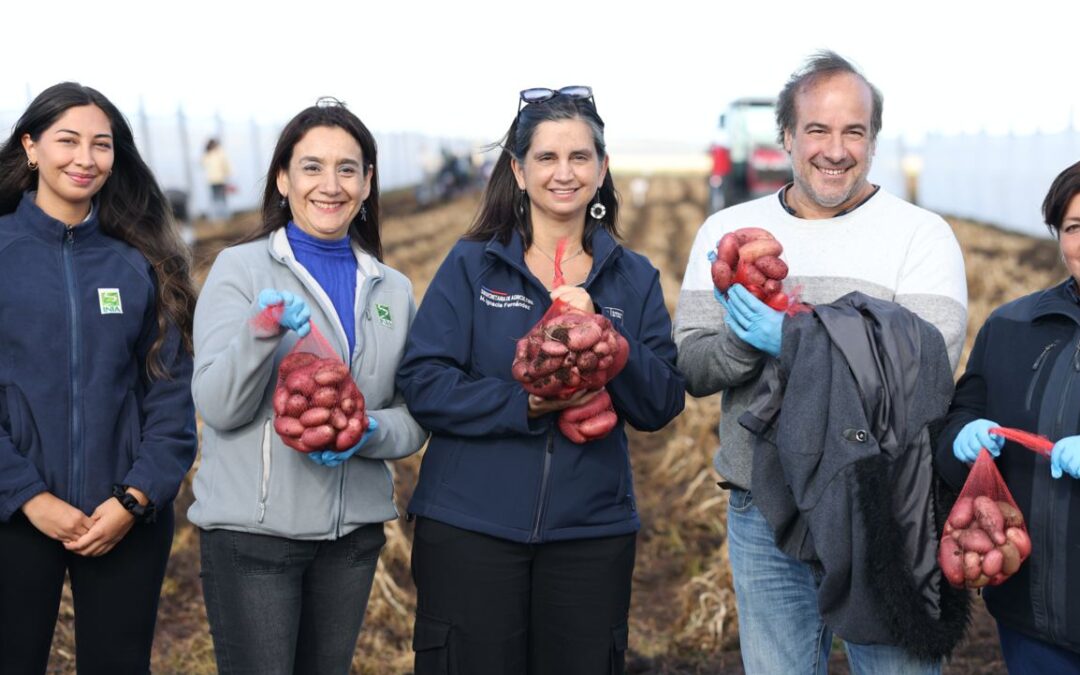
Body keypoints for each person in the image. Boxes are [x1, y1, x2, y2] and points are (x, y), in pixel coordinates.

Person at [673, 51, 969, 674]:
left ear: (873, 140)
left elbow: (929, 367)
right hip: (763, 506)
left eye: (853, 131)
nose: (835, 150)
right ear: (786, 136)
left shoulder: (921, 235)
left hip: (882, 506)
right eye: (818, 130)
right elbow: (689, 365)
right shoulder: (729, 230)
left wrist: (800, 339)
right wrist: (741, 342)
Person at [397, 86, 685, 674]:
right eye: (547, 158)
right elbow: (424, 381)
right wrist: (524, 404)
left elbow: (660, 403)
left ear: (602, 170)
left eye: (580, 157)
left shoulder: (632, 278)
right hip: (470, 527)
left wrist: (604, 335)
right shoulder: (472, 264)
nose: (564, 173)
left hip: (590, 535)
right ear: (518, 171)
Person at [188, 98, 426, 674]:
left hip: (352, 537)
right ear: (282, 178)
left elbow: (415, 414)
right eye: (312, 166)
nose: (331, 184)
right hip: (255, 536)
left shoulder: (391, 288)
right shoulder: (239, 270)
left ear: (368, 183)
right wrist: (260, 335)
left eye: (348, 168)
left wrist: (367, 431)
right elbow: (218, 406)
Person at [0, 82, 198, 673]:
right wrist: (28, 497)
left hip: (122, 517)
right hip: (13, 512)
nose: (85, 158)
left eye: (101, 145)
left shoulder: (140, 262)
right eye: (68, 140)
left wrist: (134, 500)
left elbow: (170, 400)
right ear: (31, 147)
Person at [936, 160, 1080, 672]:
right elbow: (961, 416)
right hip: (1031, 620)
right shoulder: (1013, 327)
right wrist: (961, 439)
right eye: (1074, 227)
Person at [202, 137, 231, 221]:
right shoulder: (220, 152)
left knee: (215, 199)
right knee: (221, 198)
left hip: (212, 180)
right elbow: (225, 165)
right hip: (219, 179)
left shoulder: (207, 154)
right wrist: (228, 174)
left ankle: (217, 218)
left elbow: (203, 164)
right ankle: (223, 217)